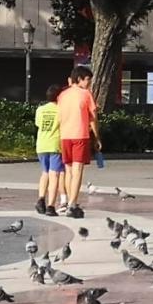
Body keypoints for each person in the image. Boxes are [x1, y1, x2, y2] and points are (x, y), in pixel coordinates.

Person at [57, 66, 101, 218]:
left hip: (65, 136)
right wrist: (97, 137)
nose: (89, 83)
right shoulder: (86, 94)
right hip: (80, 135)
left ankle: (70, 201)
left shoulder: (62, 95)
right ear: (80, 79)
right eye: (88, 79)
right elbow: (93, 117)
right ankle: (72, 205)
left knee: (68, 170)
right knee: (78, 171)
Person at [34, 85, 63, 216]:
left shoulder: (40, 109)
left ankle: (41, 199)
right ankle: (51, 205)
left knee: (45, 173)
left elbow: (38, 124)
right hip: (55, 144)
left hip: (41, 144)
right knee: (54, 174)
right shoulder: (61, 109)